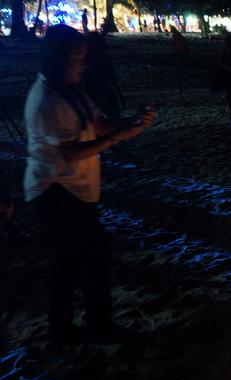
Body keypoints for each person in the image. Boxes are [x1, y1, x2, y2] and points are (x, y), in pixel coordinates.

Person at [23, 25, 156, 344]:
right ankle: (71, 329)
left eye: (84, 56)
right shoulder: (48, 101)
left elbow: (98, 124)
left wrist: (132, 124)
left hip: (77, 187)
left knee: (86, 258)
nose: (83, 63)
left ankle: (88, 324)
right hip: (54, 188)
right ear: (57, 59)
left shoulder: (73, 89)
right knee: (75, 260)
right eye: (77, 56)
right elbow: (70, 152)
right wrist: (112, 139)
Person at [84, 32, 124, 120]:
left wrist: (119, 94)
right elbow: (112, 76)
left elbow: (111, 75)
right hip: (98, 91)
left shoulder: (91, 58)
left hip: (102, 91)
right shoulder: (89, 58)